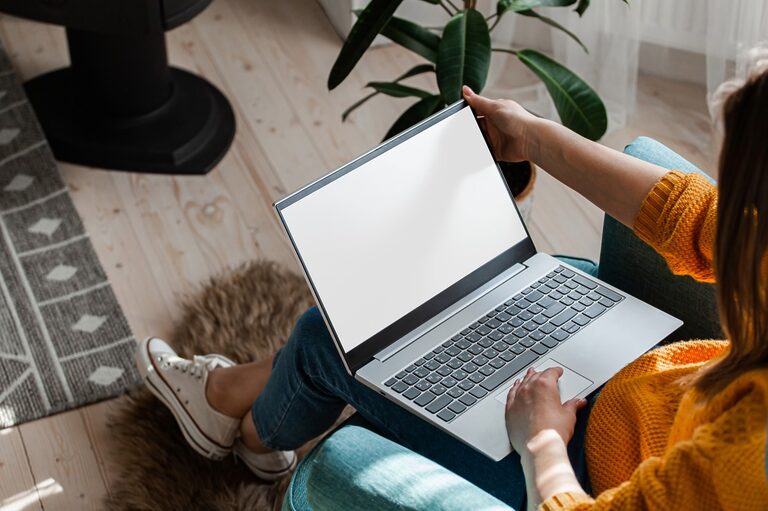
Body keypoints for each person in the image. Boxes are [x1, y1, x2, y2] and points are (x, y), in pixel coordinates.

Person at [136, 58, 768, 509]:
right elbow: (697, 218)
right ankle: (246, 412)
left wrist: (541, 441)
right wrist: (533, 138)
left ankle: (241, 431)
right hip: (648, 396)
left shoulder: (752, 456)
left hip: (588, 471)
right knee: (463, 313)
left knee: (332, 340)